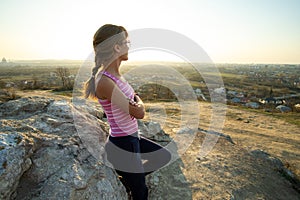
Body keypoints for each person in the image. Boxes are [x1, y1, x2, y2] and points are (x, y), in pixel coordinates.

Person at [84, 24, 171, 200]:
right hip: (123, 144)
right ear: (116, 47)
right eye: (126, 42)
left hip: (132, 139)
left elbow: (135, 102)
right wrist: (138, 103)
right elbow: (139, 112)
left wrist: (137, 102)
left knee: (163, 155)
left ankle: (129, 179)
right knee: (141, 193)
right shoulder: (105, 82)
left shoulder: (116, 76)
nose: (129, 46)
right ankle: (132, 181)